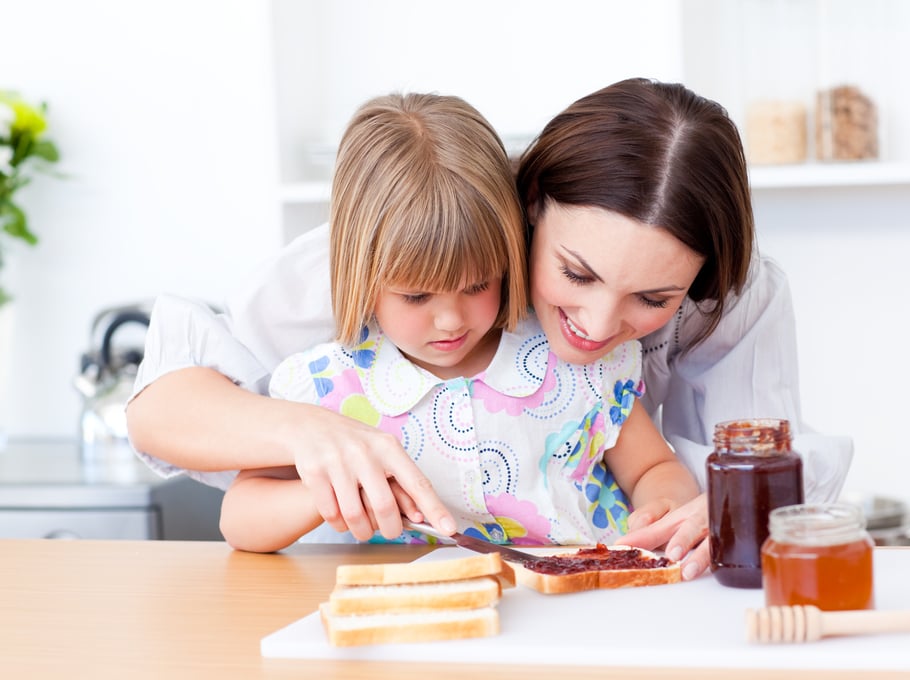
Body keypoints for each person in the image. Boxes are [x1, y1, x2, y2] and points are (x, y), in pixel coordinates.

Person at [127, 78, 852, 579]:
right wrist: (307, 440)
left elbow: (748, 471)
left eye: (653, 298)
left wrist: (700, 508)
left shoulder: (704, 308)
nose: (601, 328)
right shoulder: (403, 242)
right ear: (528, 208)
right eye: (575, 274)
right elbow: (168, 407)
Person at [216, 92, 698, 553]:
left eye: (476, 286)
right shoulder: (328, 387)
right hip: (413, 617)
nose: (450, 320)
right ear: (359, 272)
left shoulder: (577, 363)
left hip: (582, 598)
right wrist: (325, 493)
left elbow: (652, 467)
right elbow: (240, 518)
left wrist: (664, 504)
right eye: (416, 295)